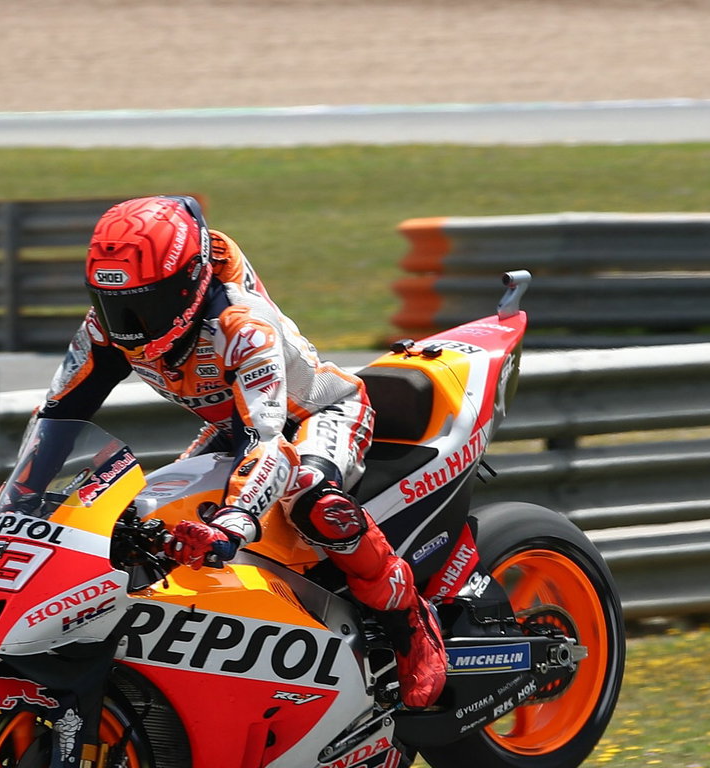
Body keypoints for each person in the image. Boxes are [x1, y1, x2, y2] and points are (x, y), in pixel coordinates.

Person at [36, 195, 446, 707]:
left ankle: (409, 621)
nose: (130, 325)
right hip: (234, 425)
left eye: (147, 303)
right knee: (151, 513)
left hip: (315, 415)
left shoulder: (239, 324)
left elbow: (269, 444)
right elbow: (54, 418)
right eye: (112, 304)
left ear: (187, 283)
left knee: (312, 501)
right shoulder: (106, 332)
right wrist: (22, 501)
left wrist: (232, 523)